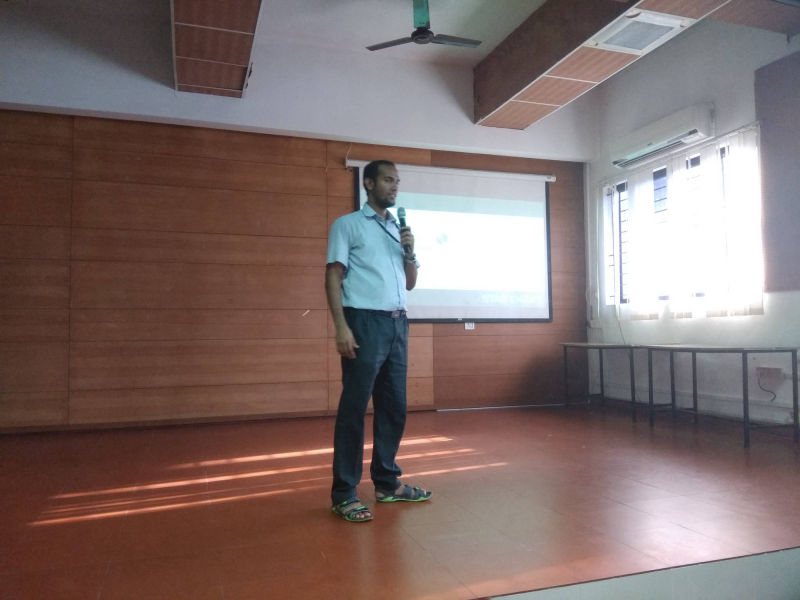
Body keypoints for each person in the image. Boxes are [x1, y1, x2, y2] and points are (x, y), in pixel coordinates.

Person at [325, 159, 432, 523]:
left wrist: (410, 252)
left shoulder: (397, 231)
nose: (394, 186)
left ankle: (387, 483)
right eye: (388, 180)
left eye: (397, 181)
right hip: (364, 322)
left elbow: (410, 283)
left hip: (398, 325)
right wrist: (341, 327)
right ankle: (344, 494)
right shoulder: (348, 225)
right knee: (354, 408)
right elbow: (333, 276)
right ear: (368, 184)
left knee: (394, 407)